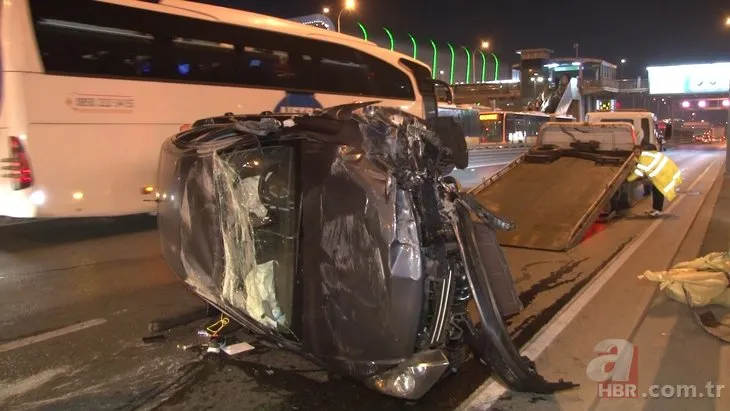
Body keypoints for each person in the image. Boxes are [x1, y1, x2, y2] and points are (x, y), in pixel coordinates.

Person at [626, 144, 682, 217]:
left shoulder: (643, 158)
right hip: (662, 173)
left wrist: (628, 179)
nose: (635, 153)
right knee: (655, 191)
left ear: (641, 151)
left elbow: (639, 172)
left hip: (664, 174)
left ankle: (658, 211)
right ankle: (655, 209)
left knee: (659, 192)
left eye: (637, 152)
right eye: (634, 152)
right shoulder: (643, 156)